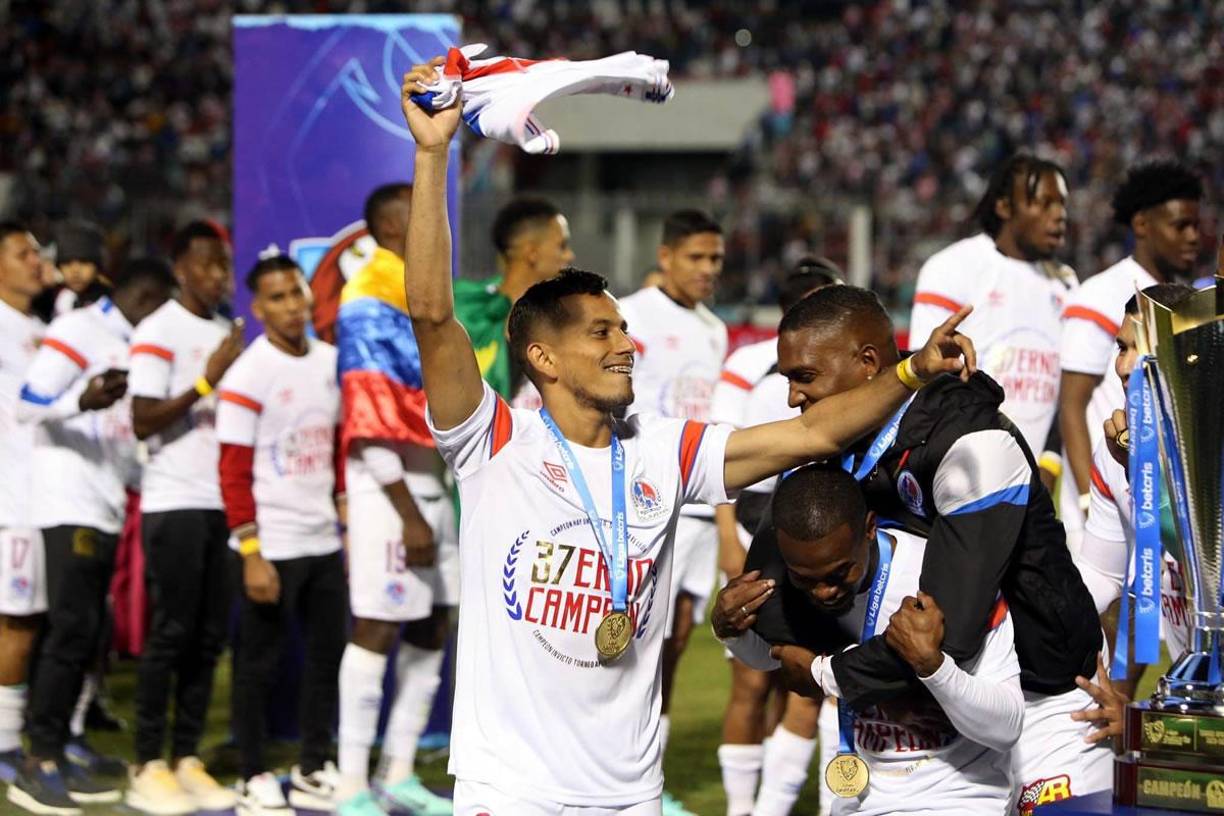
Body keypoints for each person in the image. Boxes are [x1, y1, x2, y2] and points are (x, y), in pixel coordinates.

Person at [397, 57, 974, 815]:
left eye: (626, 328)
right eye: (601, 330)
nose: (626, 343)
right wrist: (432, 153)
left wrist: (907, 373)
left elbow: (807, 434)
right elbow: (433, 316)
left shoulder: (663, 450)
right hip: (511, 791)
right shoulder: (493, 442)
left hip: (633, 794)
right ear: (541, 357)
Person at [739, 285, 1111, 809]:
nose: (793, 397)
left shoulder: (972, 443)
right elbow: (766, 600)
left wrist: (827, 671)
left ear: (868, 363)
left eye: (805, 377)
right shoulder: (835, 447)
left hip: (1046, 693)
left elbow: (949, 635)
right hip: (931, 703)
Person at [717, 464, 1024, 815]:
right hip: (861, 800)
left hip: (959, 800)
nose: (824, 591)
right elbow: (775, 659)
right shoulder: (799, 583)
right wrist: (731, 631)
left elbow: (1007, 727)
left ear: (869, 528)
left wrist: (935, 669)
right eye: (805, 578)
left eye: (839, 572)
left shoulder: (944, 582)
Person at [11, 257, 175, 815]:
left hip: (105, 499)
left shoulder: (130, 340)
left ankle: (69, 741)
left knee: (91, 629)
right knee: (71, 628)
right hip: (66, 498)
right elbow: (27, 404)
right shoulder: (79, 330)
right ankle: (41, 759)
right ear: (148, 296)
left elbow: (120, 431)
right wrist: (80, 400)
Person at [334, 183, 456, 816]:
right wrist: (409, 513)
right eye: (417, 211)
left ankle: (398, 773)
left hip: (438, 487)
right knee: (377, 625)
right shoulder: (365, 299)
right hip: (389, 493)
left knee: (434, 626)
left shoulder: (430, 295)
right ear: (389, 225)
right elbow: (364, 420)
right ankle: (351, 784)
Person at [709, 258, 842, 816]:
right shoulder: (748, 365)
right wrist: (725, 534)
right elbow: (716, 452)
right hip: (757, 526)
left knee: (812, 689)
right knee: (751, 685)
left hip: (817, 532)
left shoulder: (837, 369)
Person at [216, 255, 348, 815]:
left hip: (322, 542)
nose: (291, 306)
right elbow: (232, 472)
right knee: (257, 667)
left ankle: (314, 765)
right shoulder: (247, 374)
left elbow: (338, 447)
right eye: (276, 298)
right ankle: (252, 774)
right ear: (257, 308)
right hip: (269, 545)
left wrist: (343, 514)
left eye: (295, 293)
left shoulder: (332, 361)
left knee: (326, 659)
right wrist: (251, 552)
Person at [122, 220, 242, 814]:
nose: (218, 275)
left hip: (222, 504)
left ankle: (186, 757)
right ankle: (146, 762)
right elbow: (143, 419)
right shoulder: (158, 330)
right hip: (174, 502)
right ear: (180, 270)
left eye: (223, 264)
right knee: (171, 634)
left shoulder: (224, 330)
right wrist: (206, 379)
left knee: (209, 637)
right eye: (206, 264)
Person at [617, 208, 727, 816]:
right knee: (635, 643)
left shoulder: (713, 329)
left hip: (703, 509)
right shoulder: (628, 314)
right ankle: (617, 773)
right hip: (650, 502)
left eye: (715, 259)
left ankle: (647, 783)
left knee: (677, 643)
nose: (708, 270)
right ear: (665, 256)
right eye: (696, 258)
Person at [1064, 283, 1199, 756]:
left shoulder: (1211, 448)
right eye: (1120, 347)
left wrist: (1142, 475)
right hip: (1197, 694)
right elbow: (1102, 576)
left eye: (1137, 349)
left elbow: (1212, 576)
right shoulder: (1115, 447)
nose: (1122, 366)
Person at [908, 153, 1076, 493]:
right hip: (964, 472)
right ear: (1004, 207)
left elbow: (1066, 389)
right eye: (1044, 203)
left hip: (1034, 481)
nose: (1059, 215)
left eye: (1062, 204)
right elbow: (927, 378)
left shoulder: (1067, 284)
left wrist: (1048, 464)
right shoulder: (952, 268)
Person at [1057, 161, 1202, 548]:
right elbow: (1071, 404)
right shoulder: (1100, 295)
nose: (1193, 237)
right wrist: (1089, 497)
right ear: (1142, 225)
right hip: (1103, 508)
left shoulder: (1182, 301)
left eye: (1196, 225)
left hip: (1158, 502)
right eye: (1179, 226)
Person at [0, 224, 49, 786]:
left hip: (45, 496)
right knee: (16, 621)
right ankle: (7, 742)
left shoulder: (41, 327)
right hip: (11, 500)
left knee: (37, 619)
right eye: (23, 253)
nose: (37, 261)